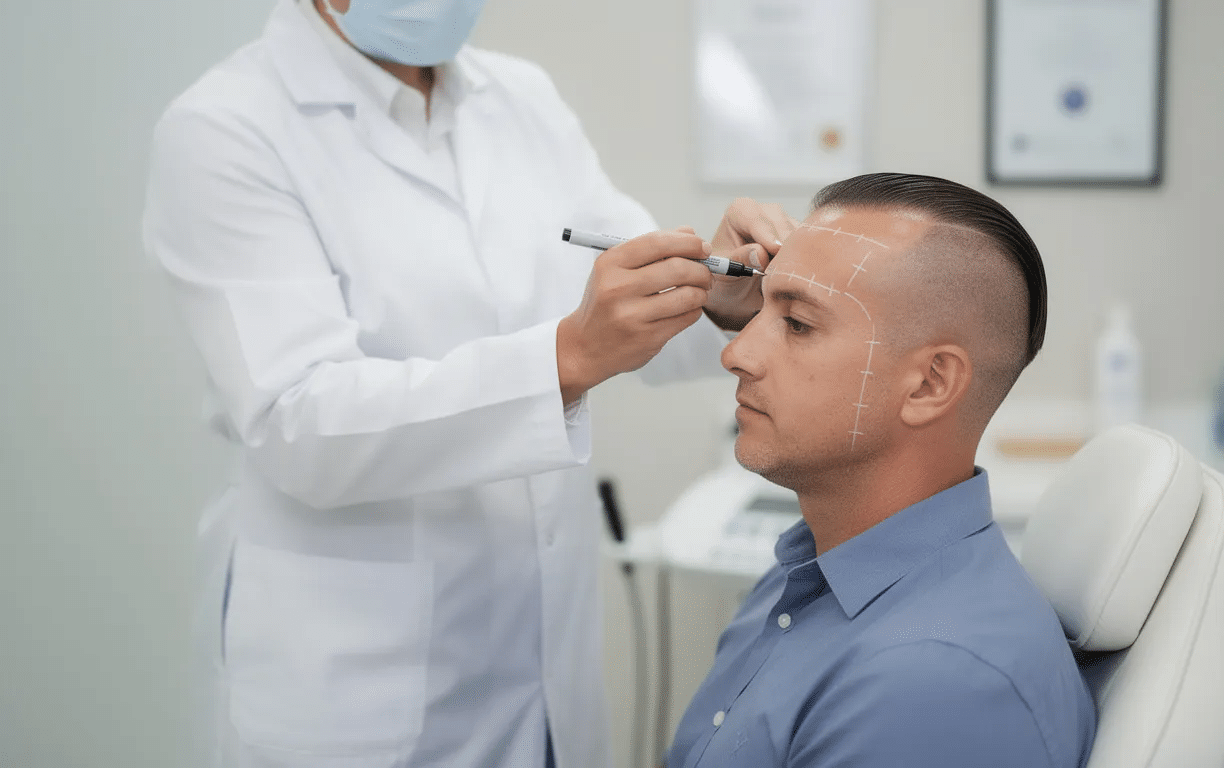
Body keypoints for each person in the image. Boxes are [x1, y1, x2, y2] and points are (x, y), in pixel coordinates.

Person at [141, 1, 793, 767]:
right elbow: (298, 423)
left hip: (542, 663)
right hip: (354, 690)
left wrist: (719, 294)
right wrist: (565, 357)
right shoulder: (227, 127)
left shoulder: (522, 98)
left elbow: (623, 293)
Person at [665, 172, 1097, 768]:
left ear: (929, 383)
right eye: (761, 311)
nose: (735, 352)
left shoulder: (935, 684)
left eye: (797, 324)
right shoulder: (806, 576)